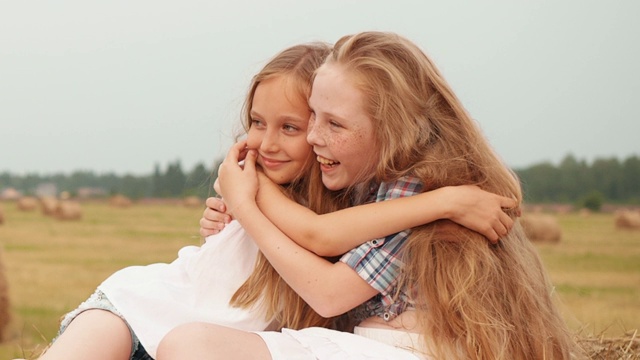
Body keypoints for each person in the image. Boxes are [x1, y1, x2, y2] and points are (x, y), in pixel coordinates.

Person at [37, 41, 515, 360]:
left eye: (298, 126)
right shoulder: (256, 178)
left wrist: (448, 201)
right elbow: (310, 238)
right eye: (258, 123)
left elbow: (323, 248)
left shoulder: (369, 193)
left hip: (225, 333)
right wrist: (233, 210)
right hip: (154, 302)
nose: (271, 142)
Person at [156, 31, 579, 359]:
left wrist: (249, 203)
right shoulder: (364, 185)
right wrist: (238, 213)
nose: (315, 137)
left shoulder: (418, 185)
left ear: (393, 128)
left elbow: (327, 286)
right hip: (368, 346)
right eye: (312, 118)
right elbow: (313, 234)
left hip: (403, 351)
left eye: (334, 124)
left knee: (189, 346)